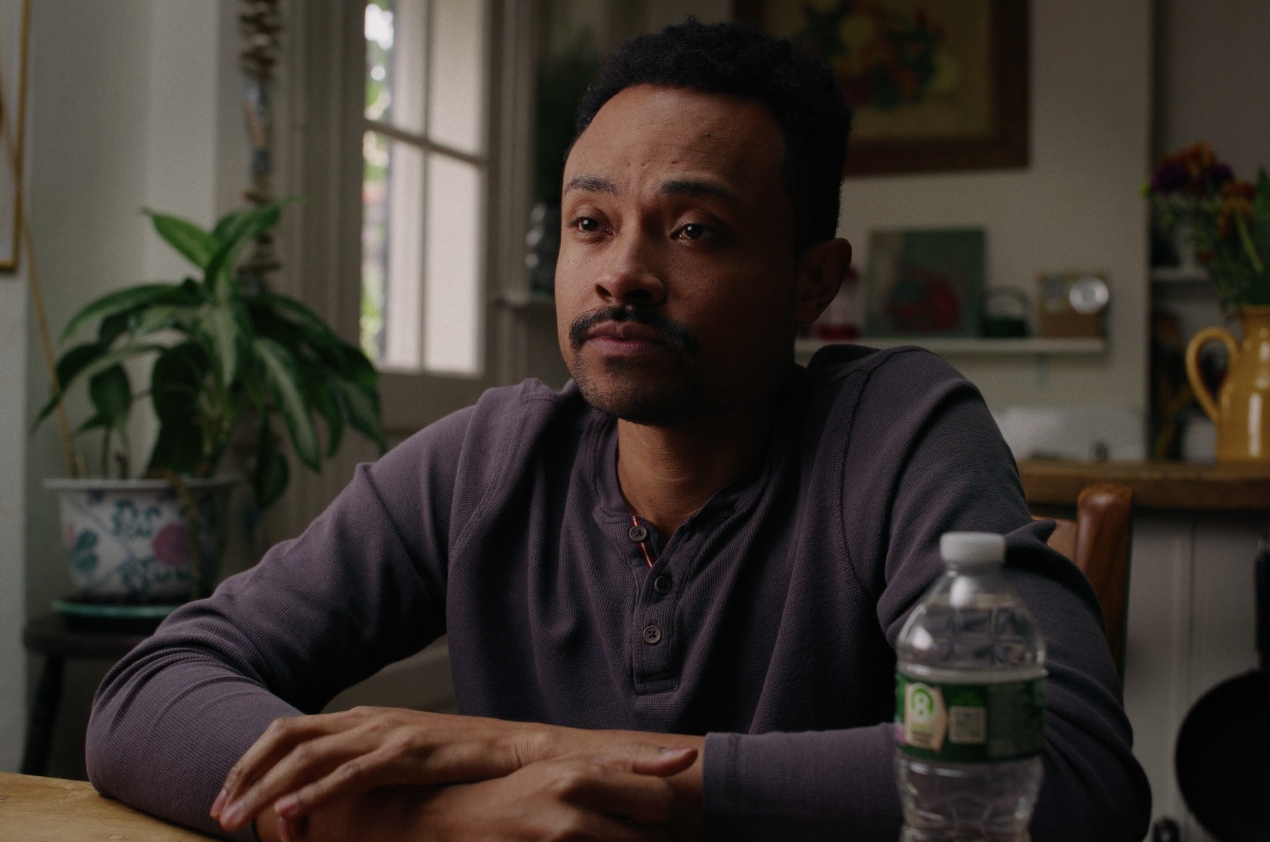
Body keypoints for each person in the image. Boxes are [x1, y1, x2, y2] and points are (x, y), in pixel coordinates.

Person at [86, 19, 1151, 842]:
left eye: (694, 229)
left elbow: (1068, 767)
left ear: (811, 282)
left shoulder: (897, 430)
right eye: (590, 222)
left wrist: (531, 749)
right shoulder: (486, 461)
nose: (621, 271)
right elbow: (146, 692)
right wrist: (431, 819)